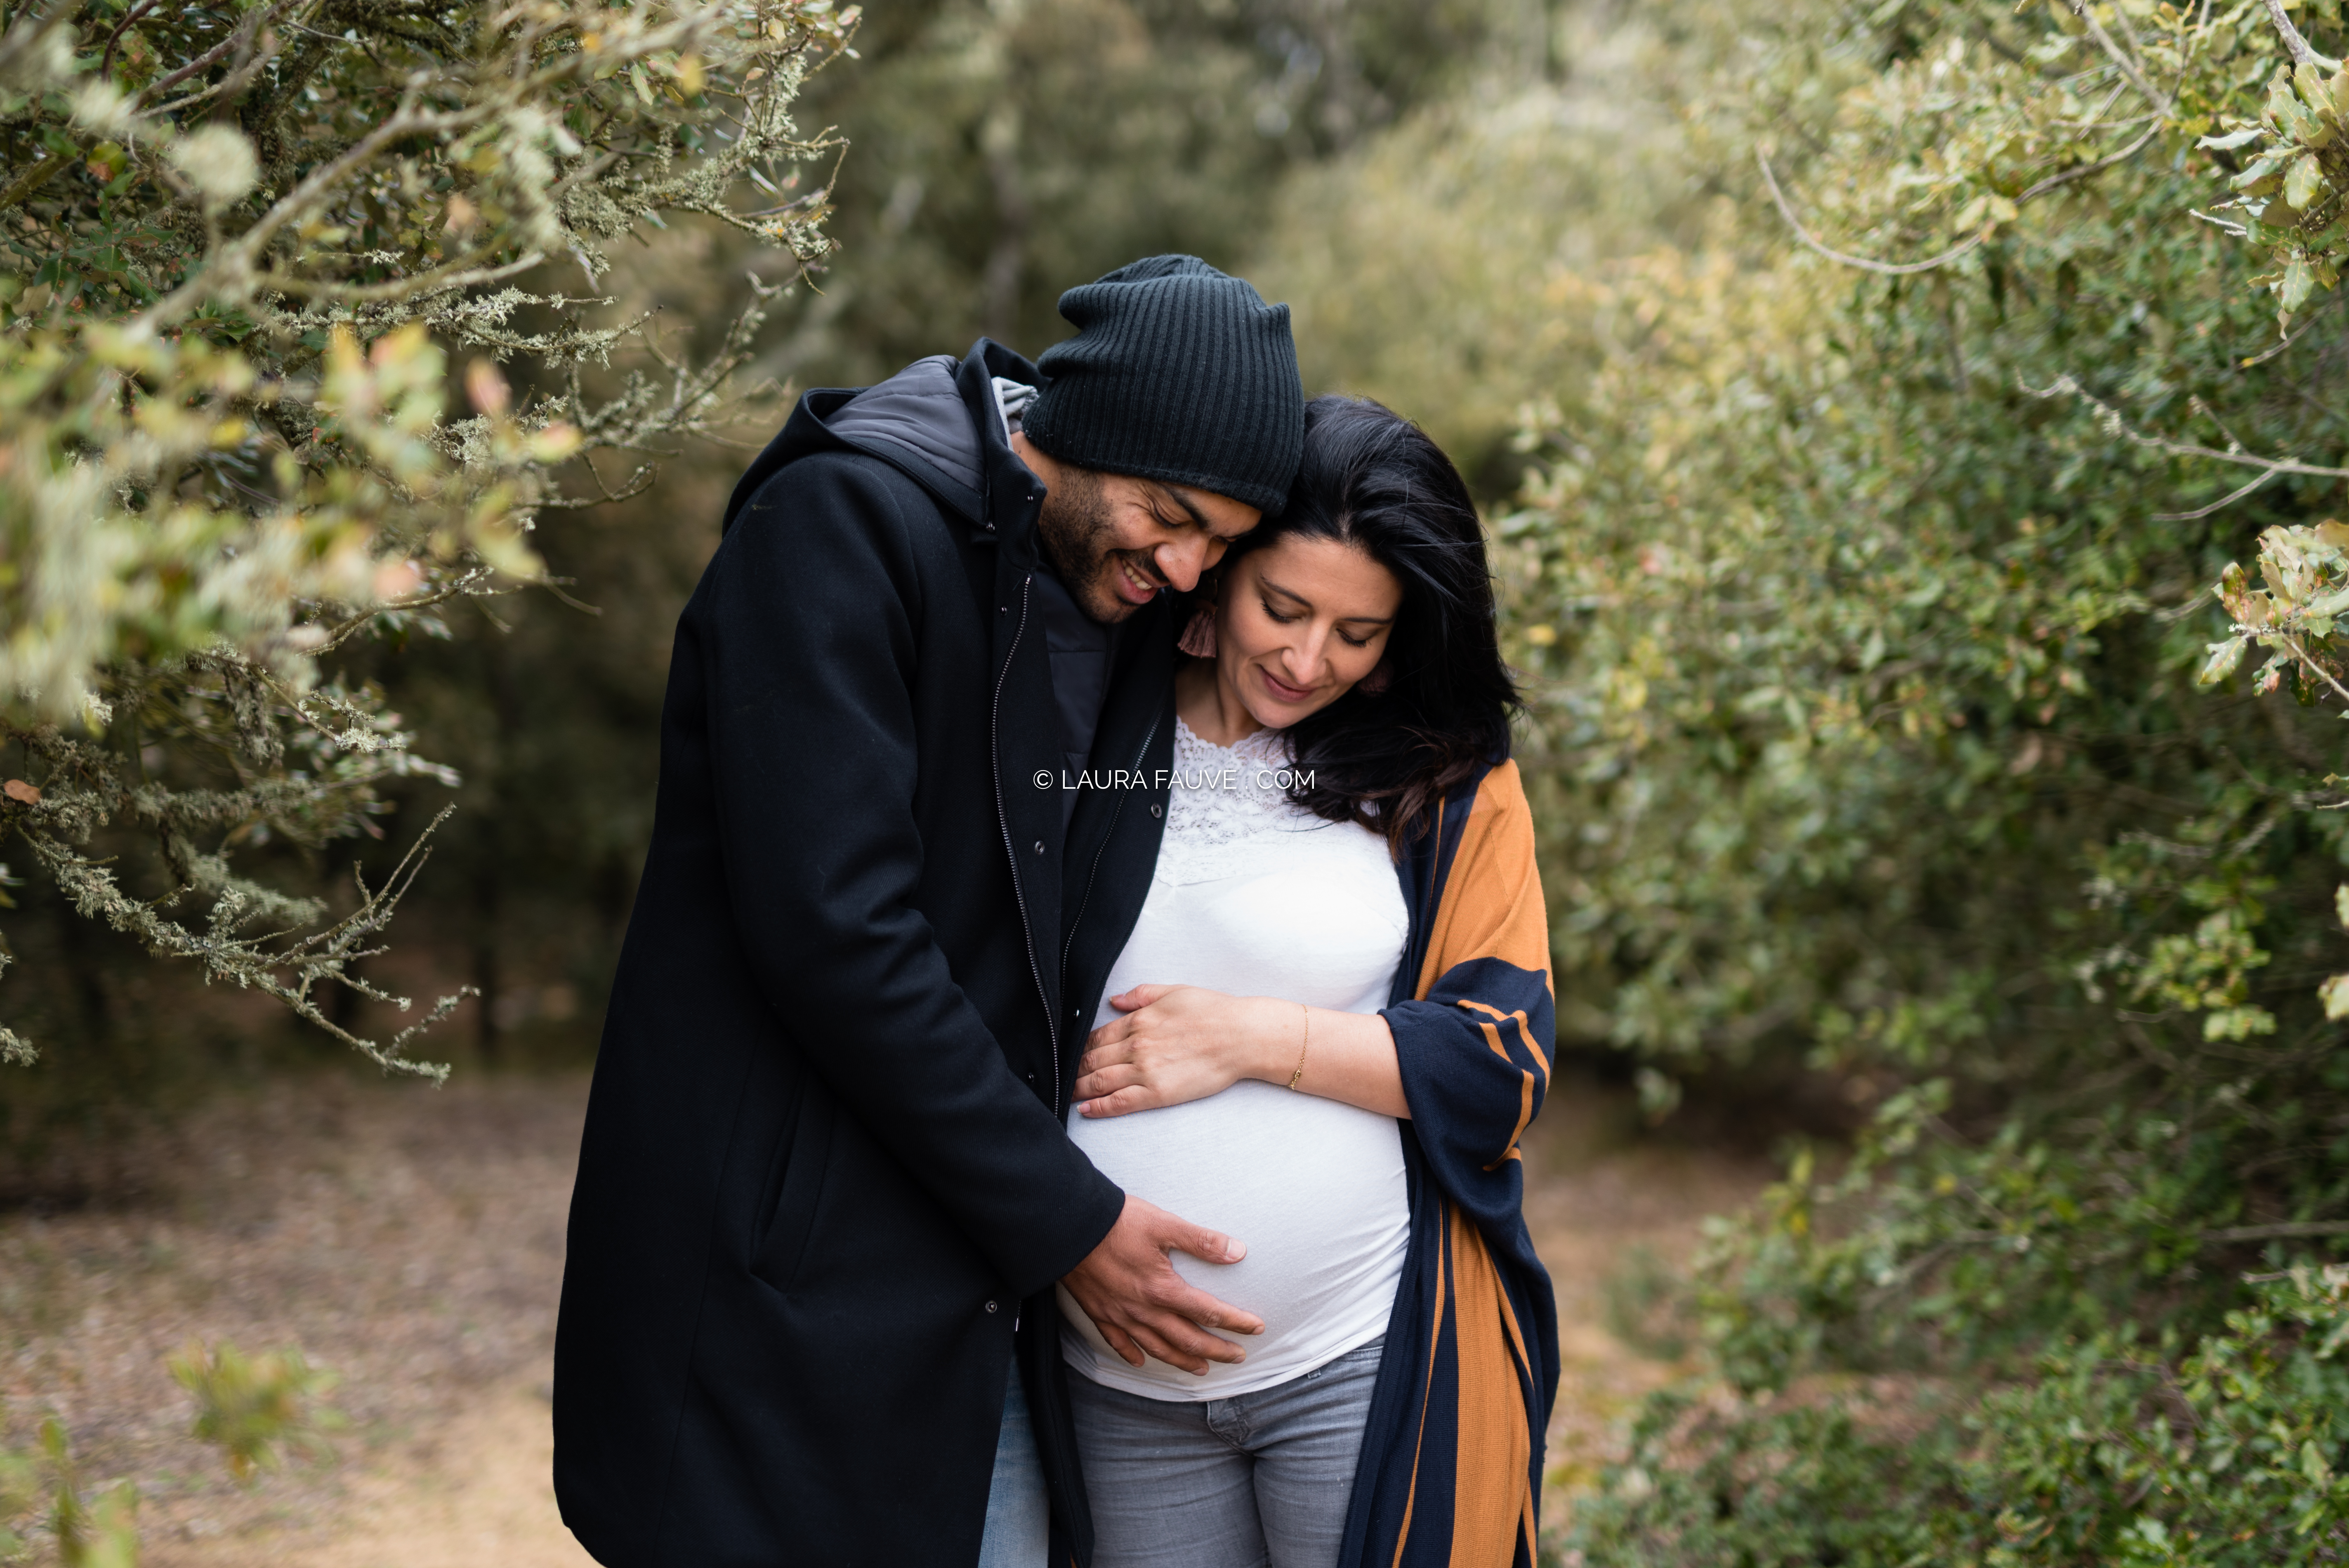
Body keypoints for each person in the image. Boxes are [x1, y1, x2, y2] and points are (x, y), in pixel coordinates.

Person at [551, 256, 1306, 1568]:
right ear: (1081, 436)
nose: (1187, 569)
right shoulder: (840, 529)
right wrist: (1070, 1218)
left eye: (1224, 546)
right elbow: (838, 929)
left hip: (985, 1308)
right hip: (782, 1304)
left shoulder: (1117, 602)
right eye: (1169, 514)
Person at [1055, 396, 1561, 1568]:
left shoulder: (1440, 782)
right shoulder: (1087, 729)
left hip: (1363, 1361)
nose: (1305, 657)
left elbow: (1502, 1066)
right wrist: (1060, 1225)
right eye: (1283, 607)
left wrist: (1250, 1036)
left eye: (1358, 633)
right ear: (1219, 571)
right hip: (1116, 1383)